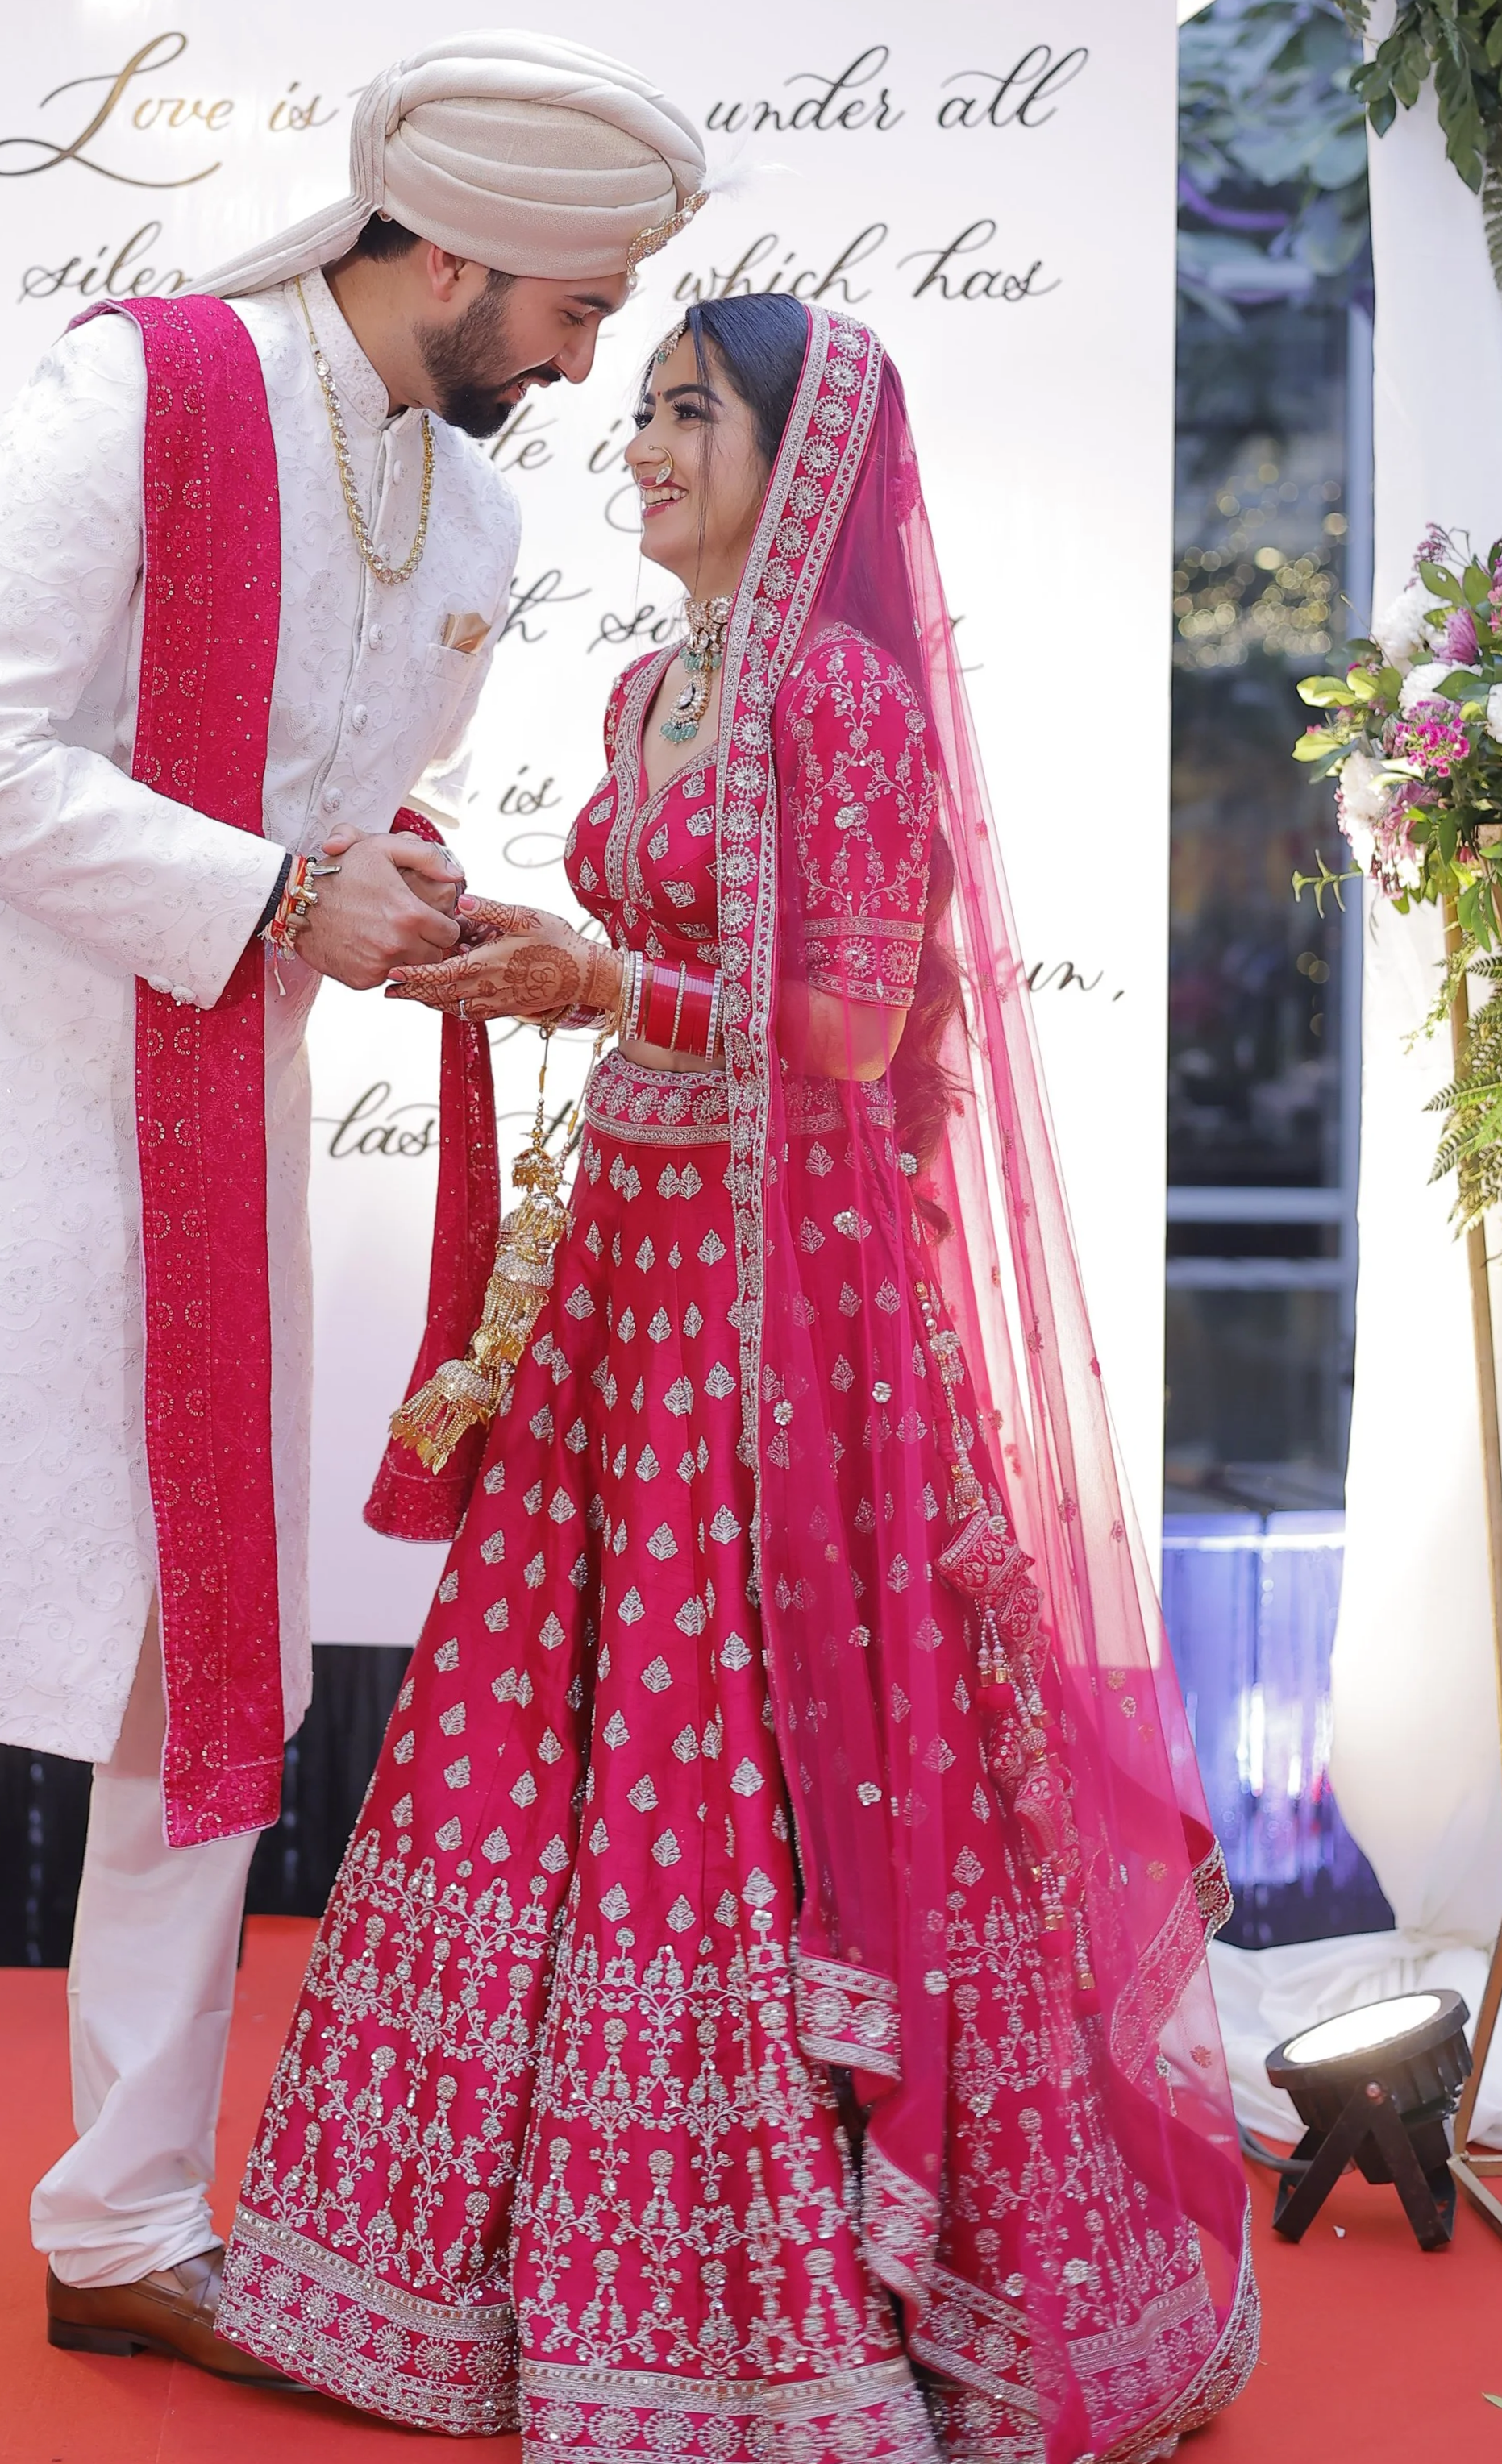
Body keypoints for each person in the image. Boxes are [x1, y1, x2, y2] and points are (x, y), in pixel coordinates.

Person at [0, 33, 708, 2464]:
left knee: (195, 1712)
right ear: (439, 253)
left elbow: (326, 824)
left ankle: (128, 2229)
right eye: (567, 307)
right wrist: (269, 890)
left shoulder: (464, 524)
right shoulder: (136, 395)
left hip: (209, 1145)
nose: (579, 362)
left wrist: (394, 894)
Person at [218, 295, 1258, 2462]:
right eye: (649, 408)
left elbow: (857, 1035)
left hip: (788, 1298)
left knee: (738, 1718)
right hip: (636, 1252)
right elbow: (659, 968)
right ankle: (466, 2264)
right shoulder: (644, 685)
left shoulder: (845, 701)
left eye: (689, 411)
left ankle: (780, 2294)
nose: (642, 443)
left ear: (805, 456)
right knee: (567, 1686)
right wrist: (502, 933)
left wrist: (606, 975)